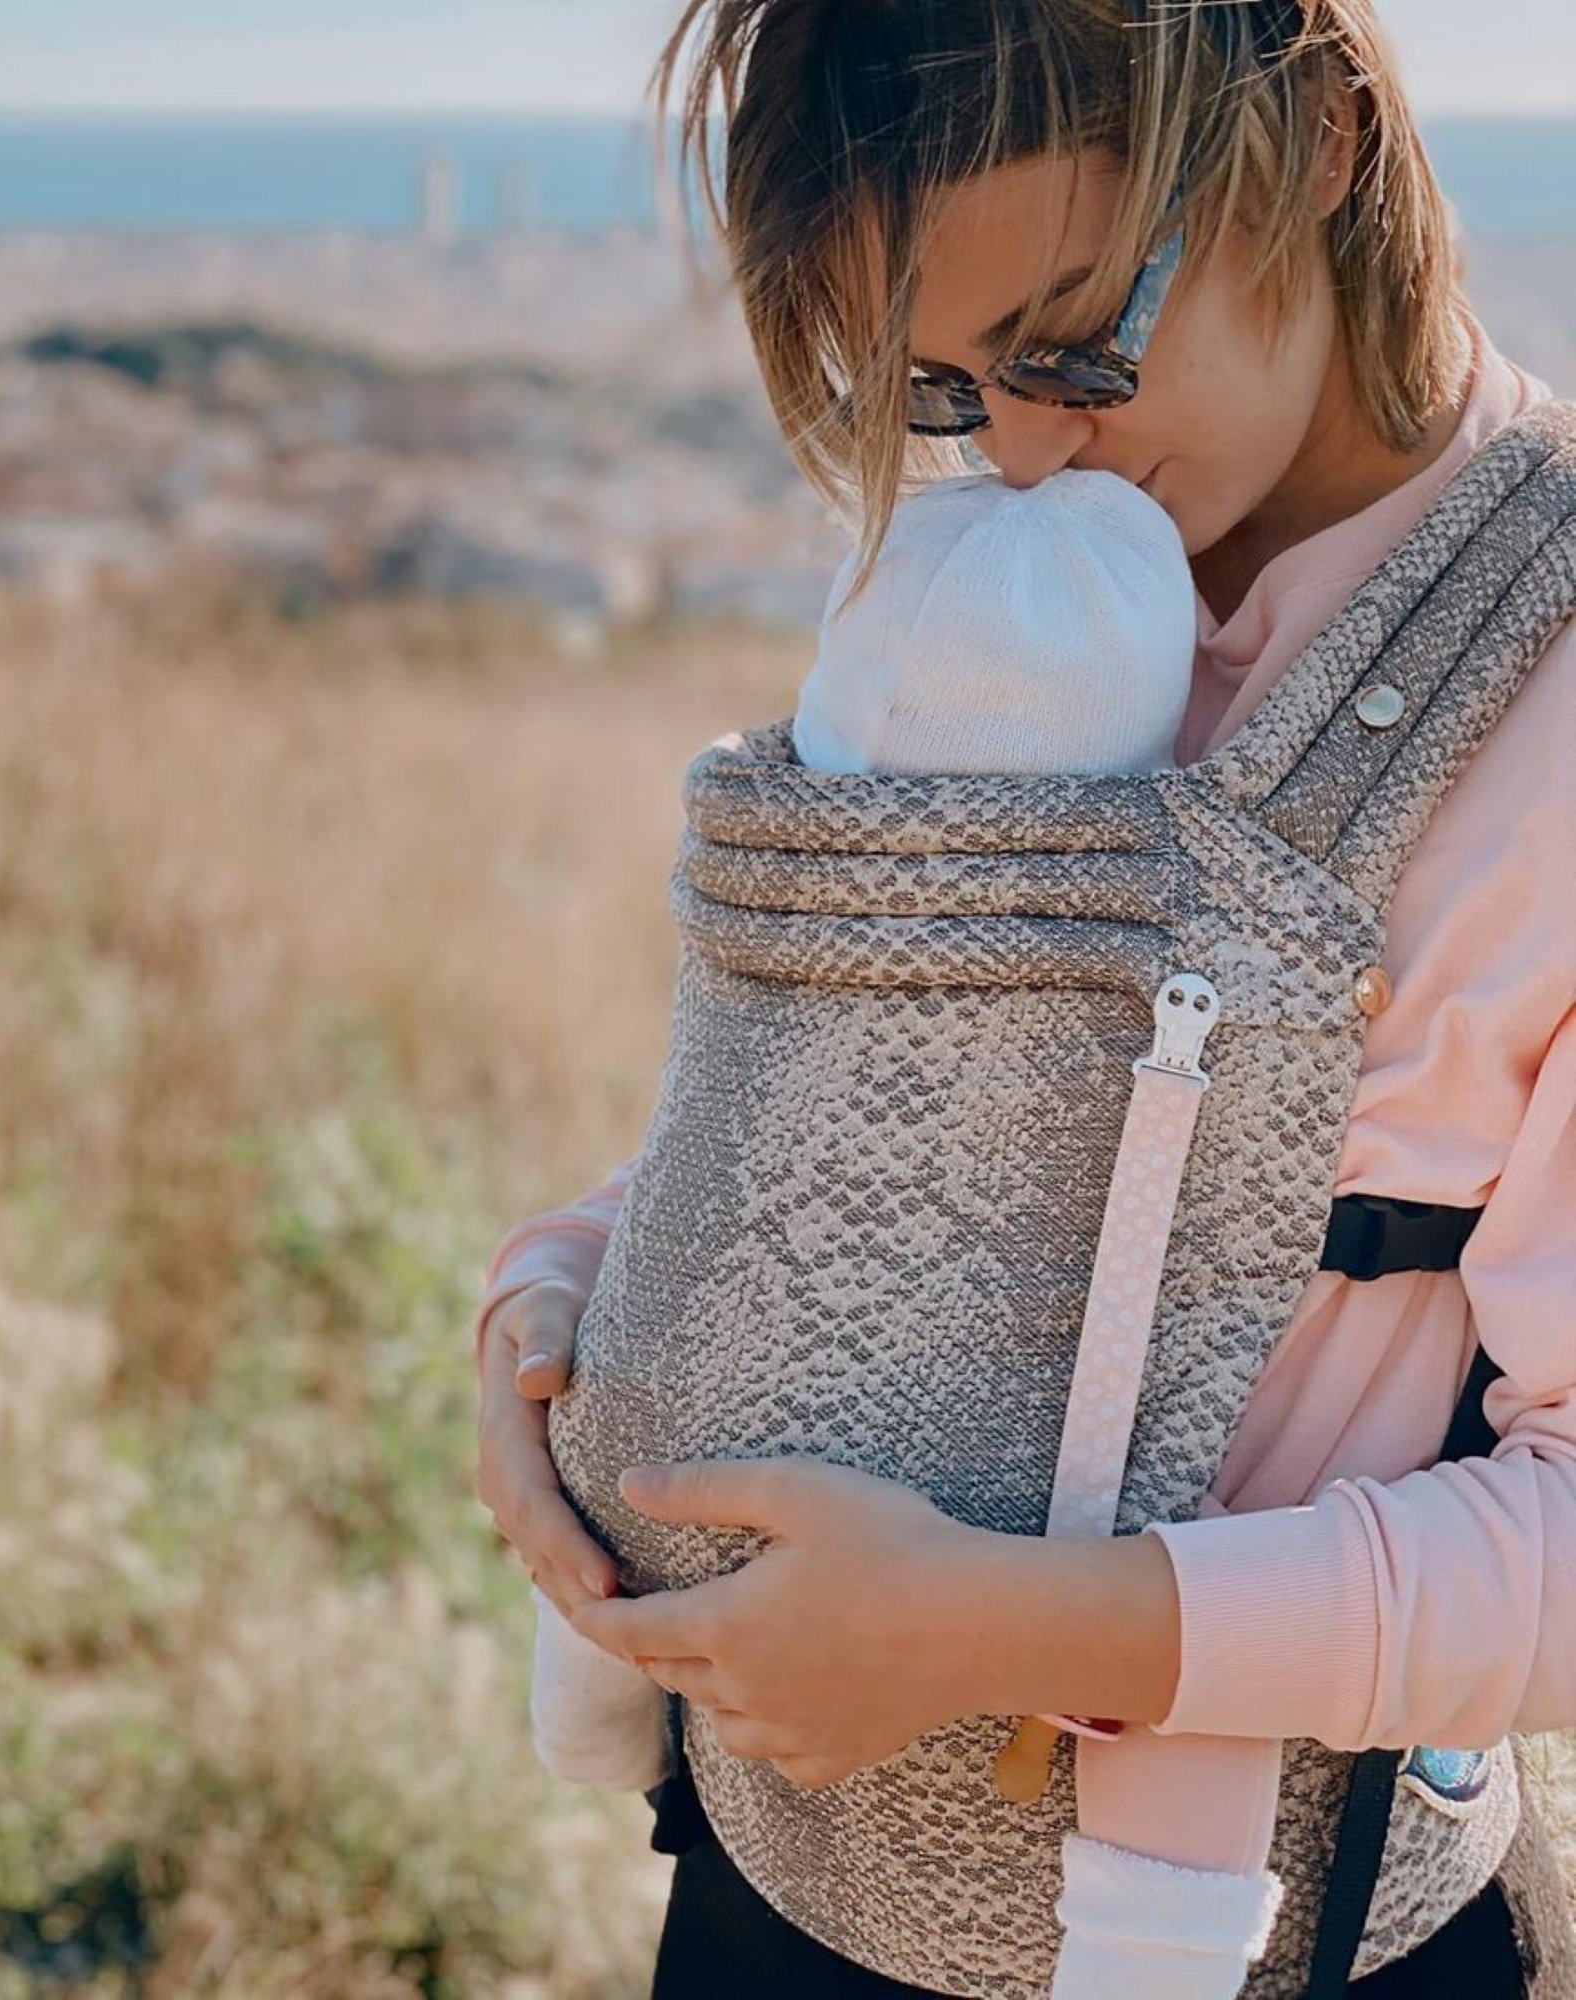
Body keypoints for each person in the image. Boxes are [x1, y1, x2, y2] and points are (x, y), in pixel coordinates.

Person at [470, 2, 1575, 1993]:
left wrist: (1004, 1626)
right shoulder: (1019, 587)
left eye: (1074, 344)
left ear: (1316, 133)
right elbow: (852, 1130)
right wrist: (557, 1317)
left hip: (1270, 1946)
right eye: (950, 387)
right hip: (778, 1884)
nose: (1037, 448)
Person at [529, 466, 1305, 1996]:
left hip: (642, 1421)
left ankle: (588, 1696)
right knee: (1187, 1547)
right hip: (1030, 1564)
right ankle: (1153, 1940)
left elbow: (693, 1148)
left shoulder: (763, 859)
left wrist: (541, 1293)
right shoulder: (1155, 915)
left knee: (639, 1463)